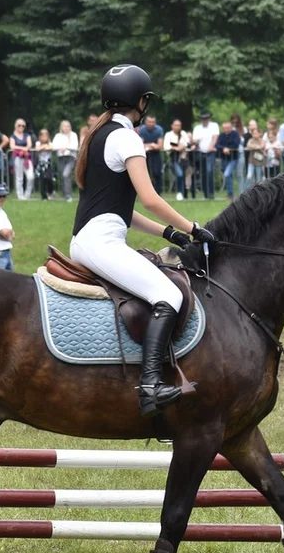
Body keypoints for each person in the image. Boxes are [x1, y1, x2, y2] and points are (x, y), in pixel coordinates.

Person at [70, 64, 214, 417]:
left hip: (93, 237)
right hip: (100, 242)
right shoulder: (127, 137)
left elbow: (121, 209)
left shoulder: (99, 134)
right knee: (168, 294)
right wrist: (194, 228)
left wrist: (170, 233)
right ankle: (150, 385)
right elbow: (149, 198)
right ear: (141, 101)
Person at [191, 111, 219, 199]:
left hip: (210, 152)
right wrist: (194, 143)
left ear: (209, 119)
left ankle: (211, 193)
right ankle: (206, 194)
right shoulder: (197, 128)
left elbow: (215, 137)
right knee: (203, 173)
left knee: (209, 171)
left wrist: (211, 146)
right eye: (203, 119)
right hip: (200, 152)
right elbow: (195, 139)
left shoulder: (214, 126)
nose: (204, 120)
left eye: (206, 118)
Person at [163, 118, 191, 199]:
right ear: (172, 126)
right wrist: (175, 148)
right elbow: (166, 146)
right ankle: (179, 192)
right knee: (179, 174)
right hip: (174, 158)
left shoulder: (183, 133)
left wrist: (182, 146)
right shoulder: (168, 134)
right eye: (175, 125)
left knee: (186, 175)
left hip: (184, 158)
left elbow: (187, 143)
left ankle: (185, 194)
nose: (177, 127)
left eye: (179, 125)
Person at [52, 120, 78, 202]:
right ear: (61, 127)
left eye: (67, 126)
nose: (66, 128)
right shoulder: (58, 136)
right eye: (64, 126)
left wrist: (66, 148)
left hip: (70, 158)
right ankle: (64, 194)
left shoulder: (73, 135)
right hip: (61, 158)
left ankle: (68, 195)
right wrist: (60, 148)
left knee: (66, 174)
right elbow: (53, 146)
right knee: (63, 177)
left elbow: (75, 146)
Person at [138, 114, 165, 192]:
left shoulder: (159, 129)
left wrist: (149, 145)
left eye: (153, 122)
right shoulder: (142, 130)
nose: (151, 124)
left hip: (156, 154)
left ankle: (158, 192)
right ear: (146, 122)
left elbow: (160, 146)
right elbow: (140, 144)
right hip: (145, 154)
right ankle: (147, 191)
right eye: (149, 122)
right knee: (146, 173)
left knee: (157, 173)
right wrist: (152, 145)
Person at [9, 118, 34, 200]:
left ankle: (27, 195)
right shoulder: (13, 136)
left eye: (23, 126)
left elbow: (29, 145)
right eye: (19, 125)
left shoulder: (27, 135)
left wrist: (24, 148)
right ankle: (20, 196)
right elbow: (12, 146)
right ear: (15, 126)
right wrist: (23, 148)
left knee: (30, 176)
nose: (21, 127)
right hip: (18, 158)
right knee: (19, 178)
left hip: (27, 158)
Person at [217, 120, 242, 199]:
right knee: (229, 176)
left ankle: (231, 193)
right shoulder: (221, 135)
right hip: (224, 159)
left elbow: (236, 144)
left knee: (227, 174)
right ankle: (230, 194)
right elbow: (218, 145)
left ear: (231, 127)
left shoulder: (235, 134)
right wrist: (224, 148)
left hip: (233, 158)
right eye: (224, 128)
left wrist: (228, 149)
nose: (226, 130)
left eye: (228, 128)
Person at [35, 128, 55, 200]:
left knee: (49, 178)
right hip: (41, 164)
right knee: (42, 179)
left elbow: (51, 148)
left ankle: (51, 192)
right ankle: (43, 196)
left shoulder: (50, 143)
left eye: (46, 135)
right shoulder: (37, 143)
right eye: (42, 135)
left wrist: (43, 147)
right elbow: (37, 149)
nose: (44, 137)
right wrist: (43, 147)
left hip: (48, 163)